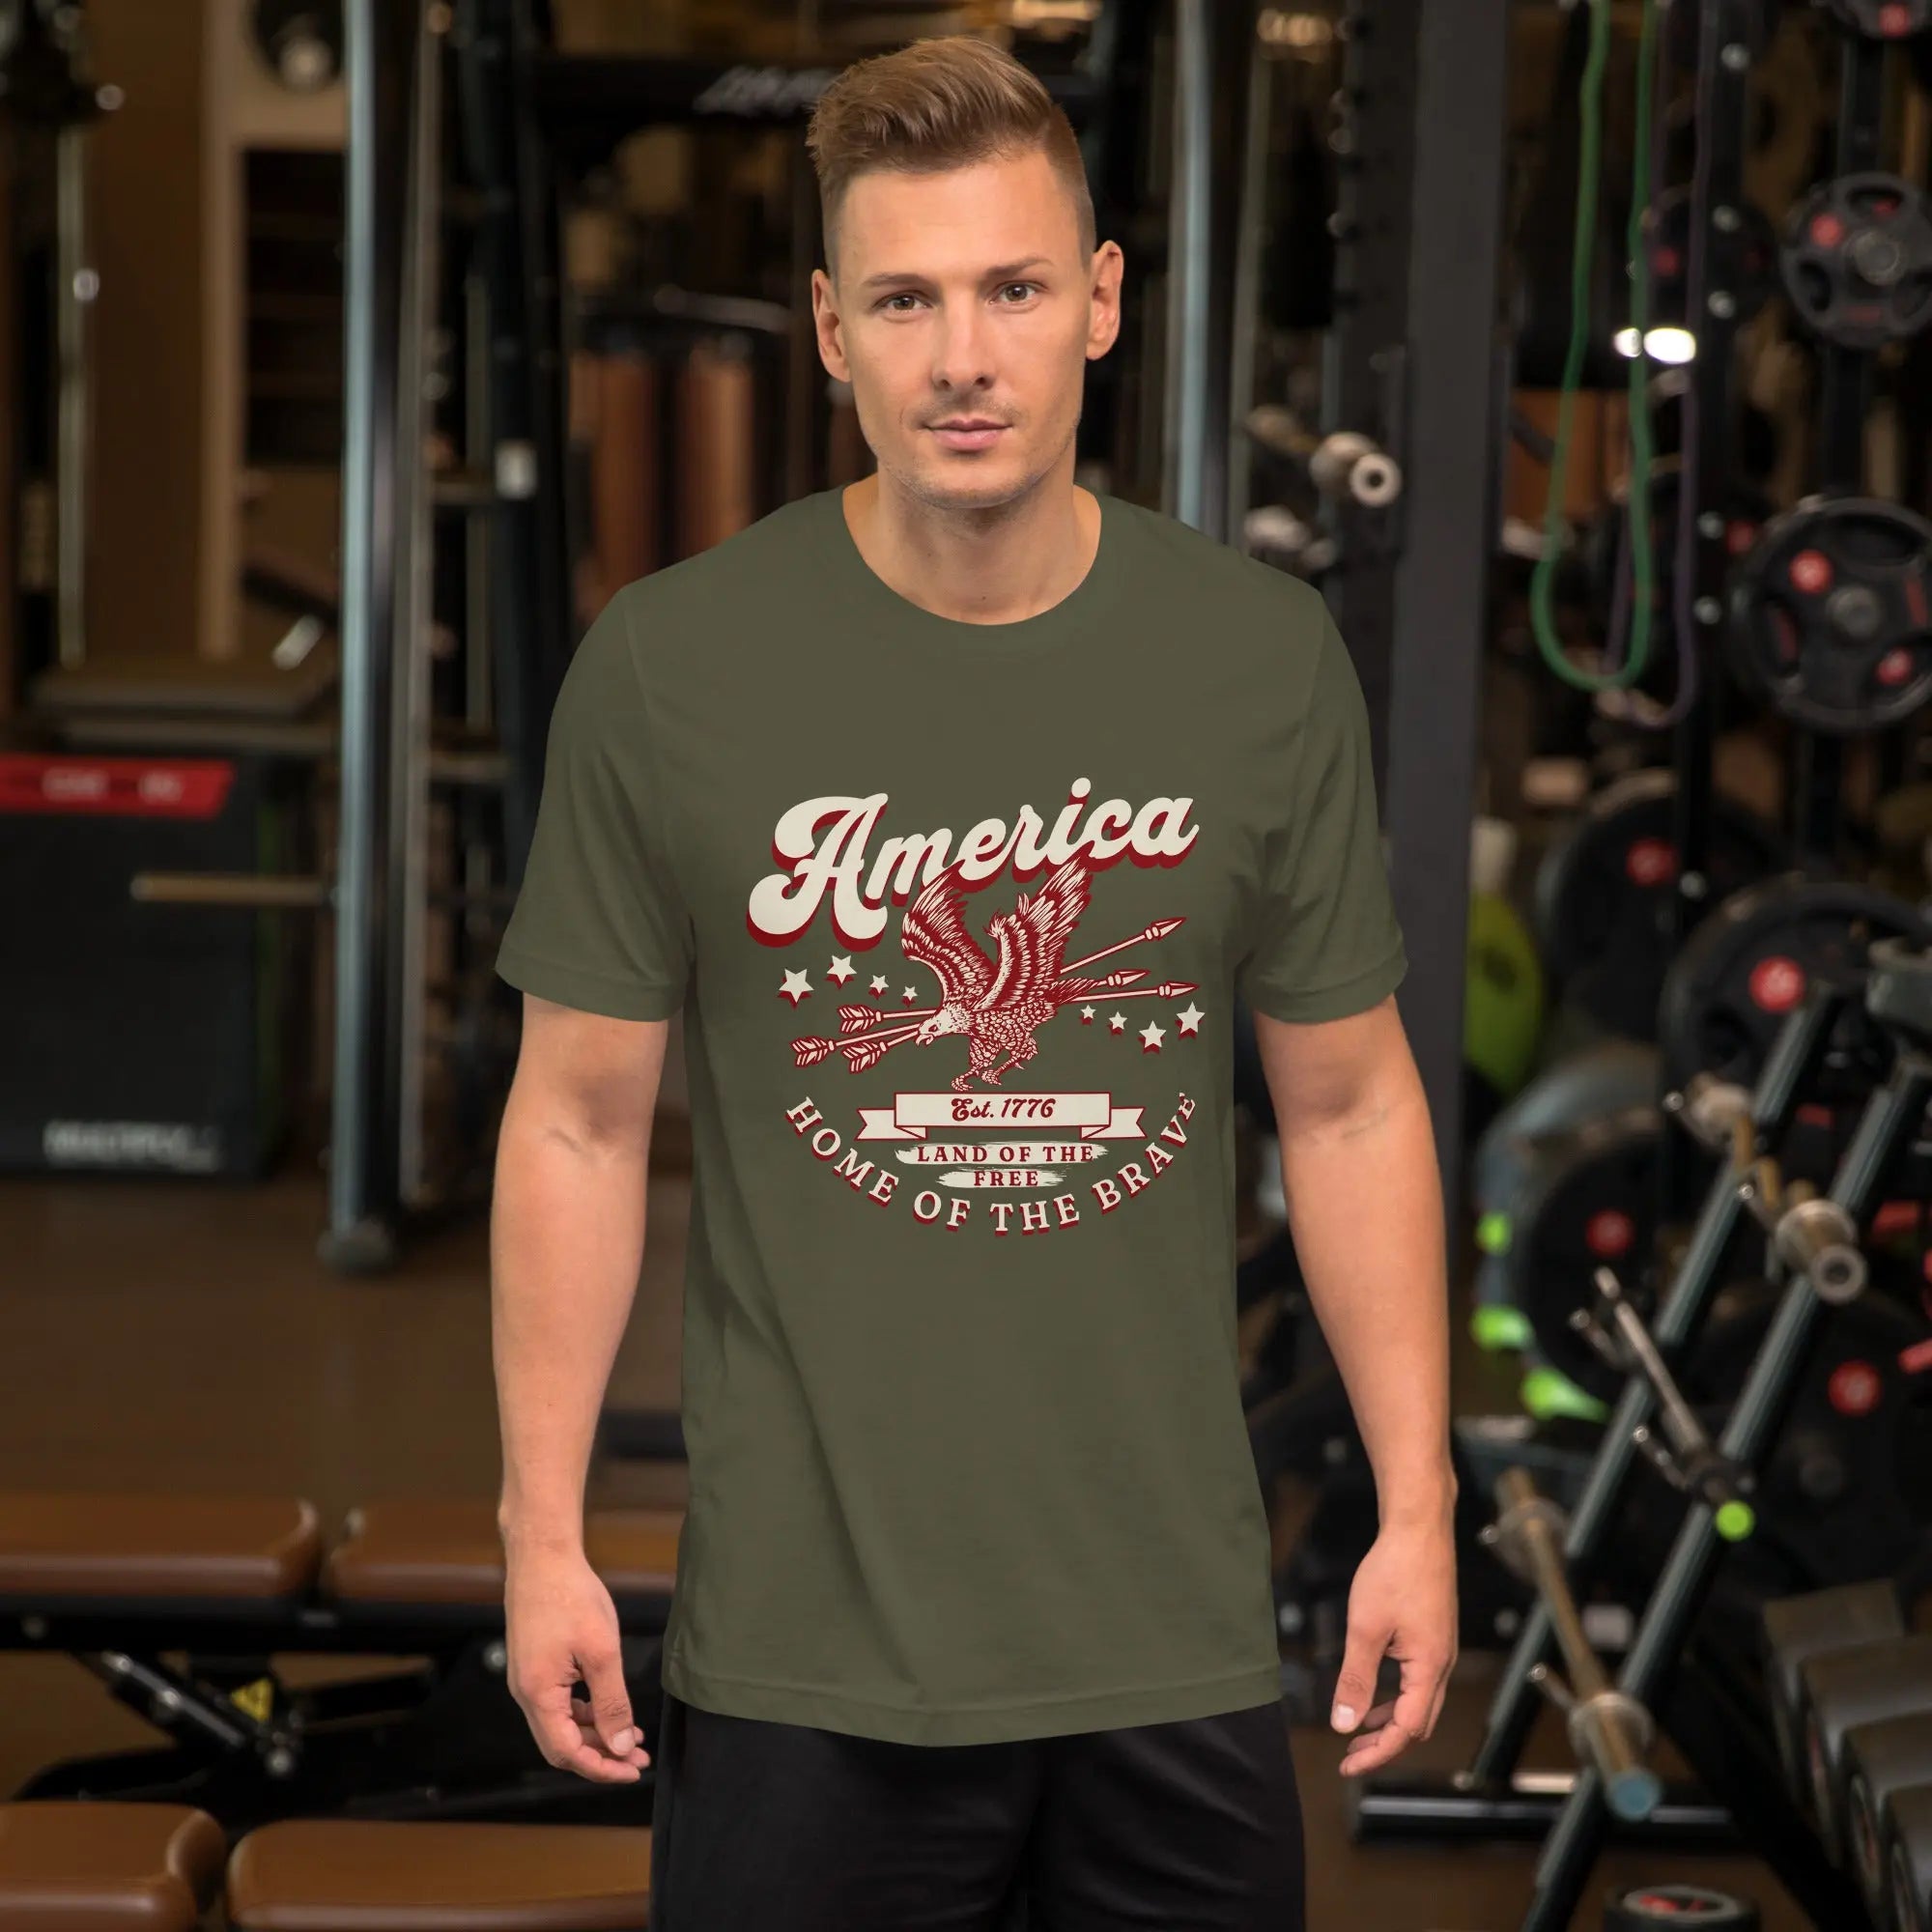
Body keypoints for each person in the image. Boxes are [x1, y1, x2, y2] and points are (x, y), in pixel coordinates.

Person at [490, 32, 1454, 1931]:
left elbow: (1349, 1101)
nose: (962, 357)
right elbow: (579, 1121)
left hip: (1165, 1646)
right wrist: (541, 1535)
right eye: (908, 300)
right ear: (831, 328)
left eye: (1013, 288)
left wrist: (1413, 1512)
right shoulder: (675, 667)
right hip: (806, 1656)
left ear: (1097, 304)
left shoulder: (1255, 662)